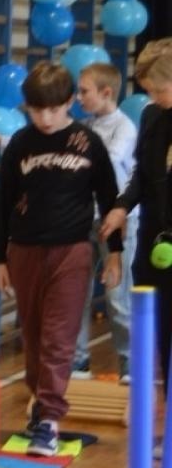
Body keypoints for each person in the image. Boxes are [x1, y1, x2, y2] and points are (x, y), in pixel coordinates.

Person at [0, 61, 122, 454]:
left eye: (53, 109)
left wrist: (113, 254)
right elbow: (2, 204)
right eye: (36, 110)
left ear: (70, 103)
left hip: (72, 251)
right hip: (25, 251)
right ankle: (40, 407)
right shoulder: (20, 144)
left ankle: (49, 418)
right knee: (33, 336)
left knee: (60, 337)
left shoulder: (87, 142)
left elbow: (110, 199)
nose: (45, 118)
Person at [103, 38, 172, 384]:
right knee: (159, 335)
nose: (155, 97)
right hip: (153, 244)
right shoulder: (152, 115)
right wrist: (121, 207)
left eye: (160, 89)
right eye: (149, 91)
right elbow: (141, 175)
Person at [70, 61, 137, 379]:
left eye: (84, 91)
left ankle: (129, 363)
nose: (79, 97)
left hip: (117, 222)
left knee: (117, 297)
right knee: (76, 293)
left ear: (106, 92)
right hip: (87, 219)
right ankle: (77, 360)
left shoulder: (124, 128)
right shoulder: (89, 127)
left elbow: (103, 161)